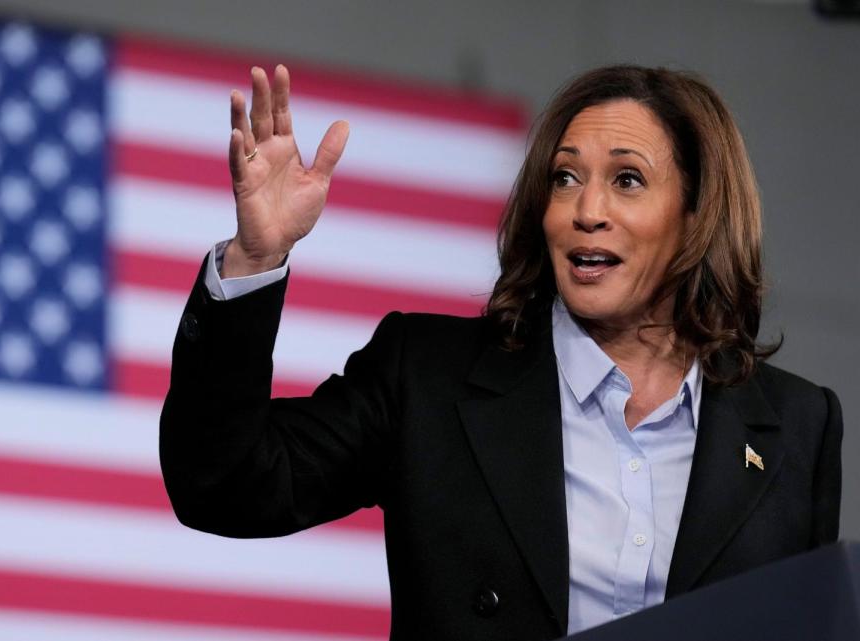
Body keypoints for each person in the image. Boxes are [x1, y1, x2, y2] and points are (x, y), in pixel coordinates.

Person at [159, 64, 843, 640]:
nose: (585, 210)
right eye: (564, 178)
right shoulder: (426, 374)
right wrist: (256, 255)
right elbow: (225, 485)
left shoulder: (794, 424)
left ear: (698, 212)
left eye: (627, 180)